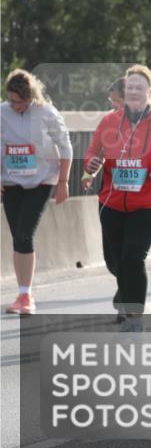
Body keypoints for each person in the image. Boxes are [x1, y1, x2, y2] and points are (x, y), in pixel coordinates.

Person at [83, 65, 151, 330]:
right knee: (115, 261)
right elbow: (93, 151)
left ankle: (135, 318)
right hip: (111, 203)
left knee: (132, 257)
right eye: (130, 88)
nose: (134, 92)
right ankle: (125, 290)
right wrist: (92, 163)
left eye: (140, 88)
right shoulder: (109, 121)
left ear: (150, 92)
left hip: (148, 205)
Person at [2, 69, 73, 314]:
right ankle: (22, 293)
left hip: (41, 182)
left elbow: (65, 147)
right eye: (11, 100)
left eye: (19, 102)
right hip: (10, 183)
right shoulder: (2, 112)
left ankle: (26, 296)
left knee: (24, 234)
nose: (15, 106)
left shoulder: (46, 113)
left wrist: (63, 181)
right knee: (17, 237)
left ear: (30, 97)